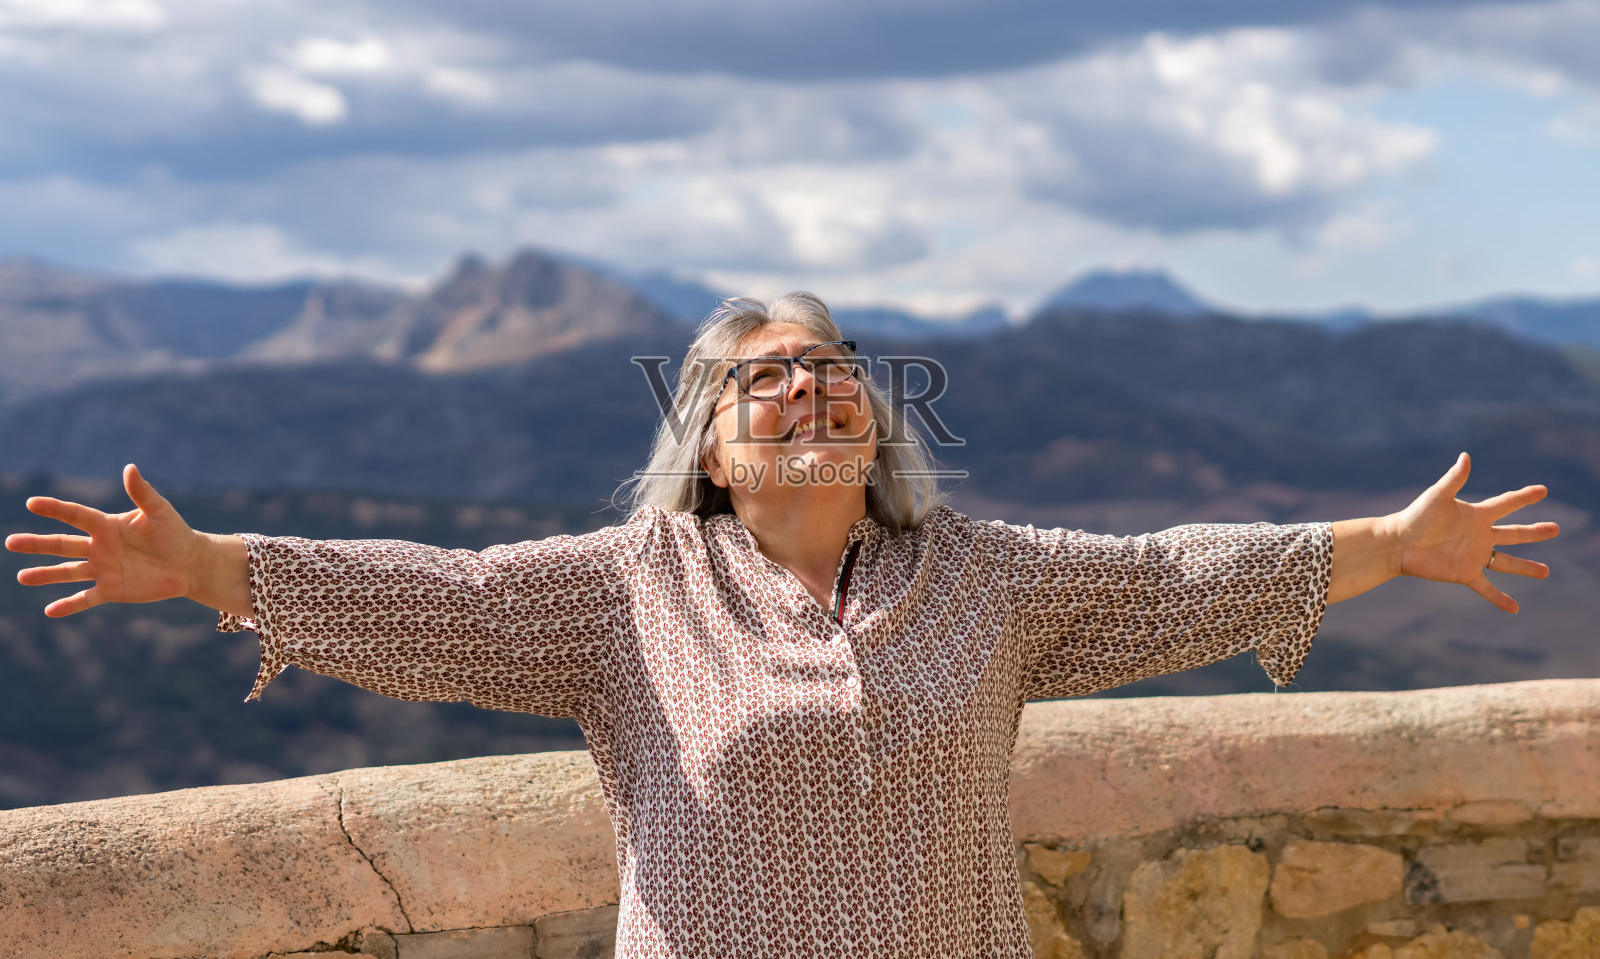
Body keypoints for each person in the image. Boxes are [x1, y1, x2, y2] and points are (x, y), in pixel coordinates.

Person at [5, 292, 1559, 958]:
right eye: (765, 377)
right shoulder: (628, 588)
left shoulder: (988, 576)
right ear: (710, 442)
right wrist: (216, 569)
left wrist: (1389, 545)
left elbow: (1175, 577)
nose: (807, 388)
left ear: (876, 427)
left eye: (831, 369)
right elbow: (439, 599)